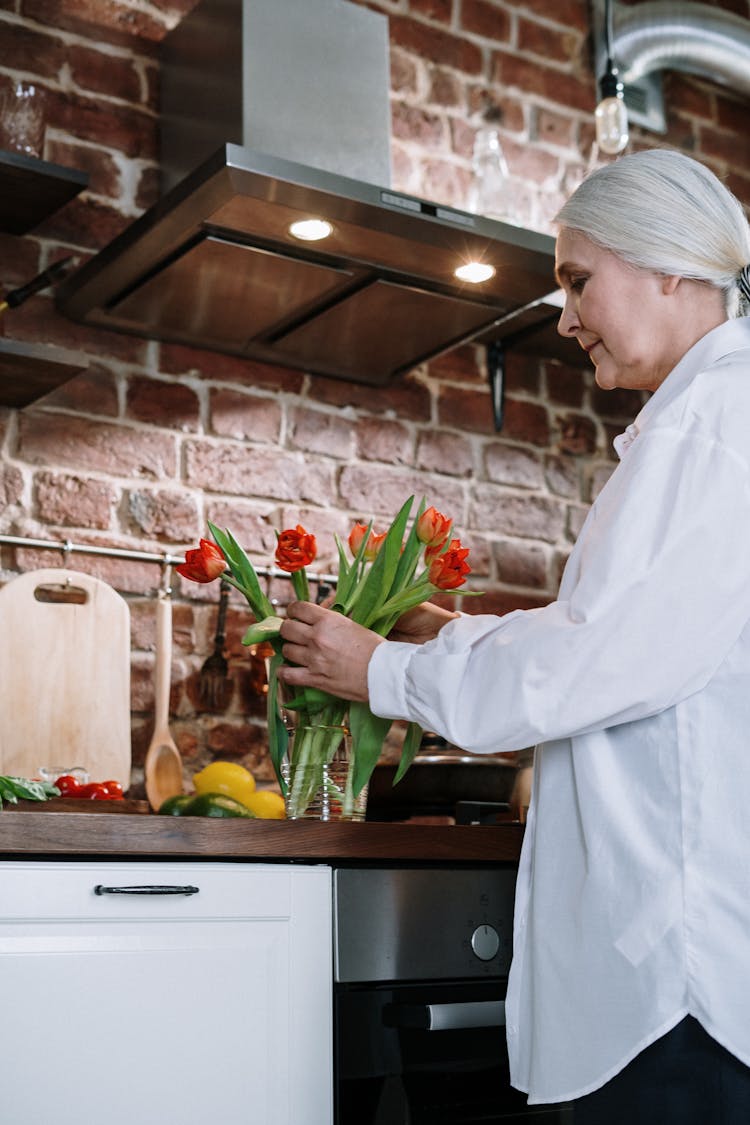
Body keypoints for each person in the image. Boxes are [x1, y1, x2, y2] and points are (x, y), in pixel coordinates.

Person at [277, 148, 750, 1123]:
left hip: (677, 972)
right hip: (679, 963)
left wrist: (387, 671)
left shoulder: (712, 425)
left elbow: (591, 664)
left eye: (578, 280)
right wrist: (450, 634)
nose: (565, 316)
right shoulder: (710, 419)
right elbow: (630, 643)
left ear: (668, 265)